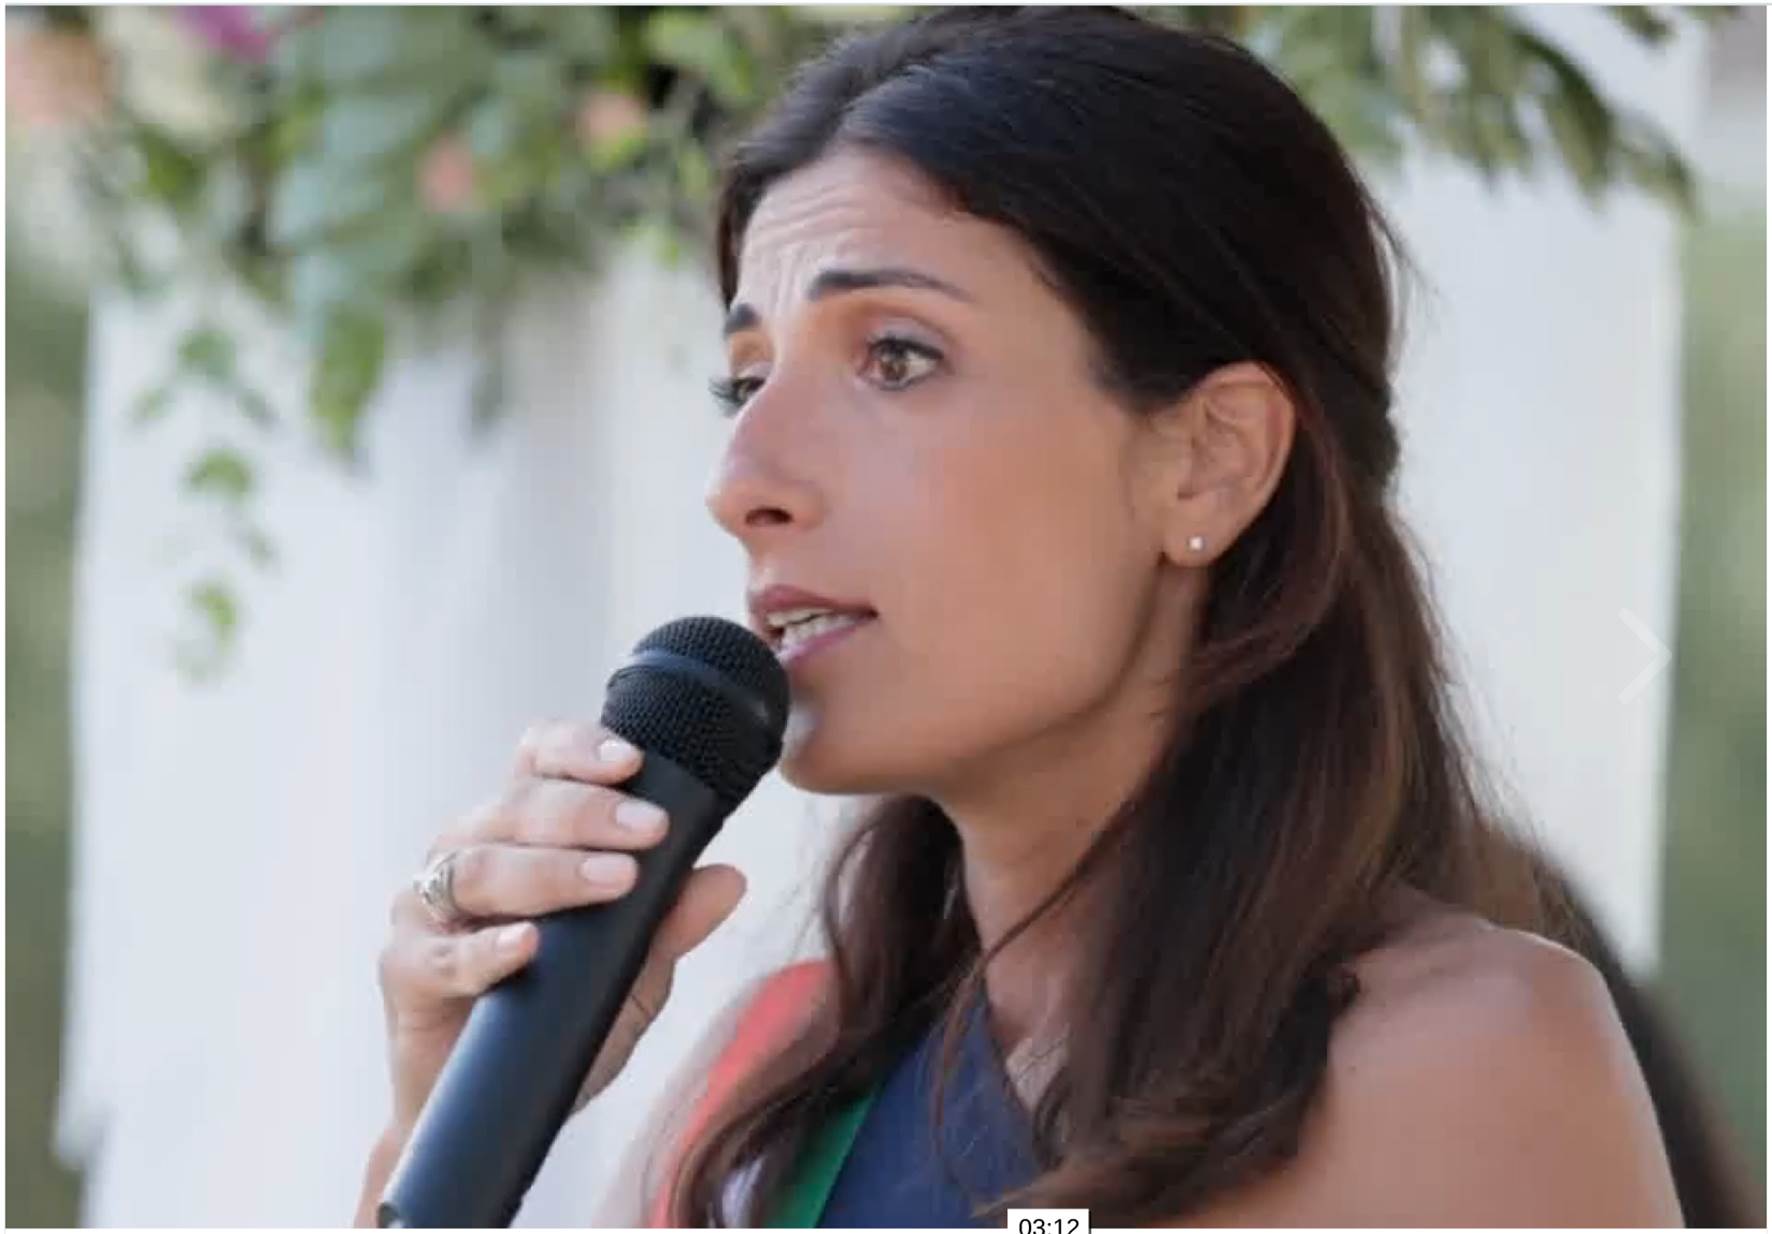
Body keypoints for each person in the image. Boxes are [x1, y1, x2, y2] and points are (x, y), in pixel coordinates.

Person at [357, 7, 1755, 1227]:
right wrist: (437, 1122)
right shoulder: (773, 1077)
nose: (742, 481)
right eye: (745, 380)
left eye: (895, 358)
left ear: (1208, 459)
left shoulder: (1460, 1061)